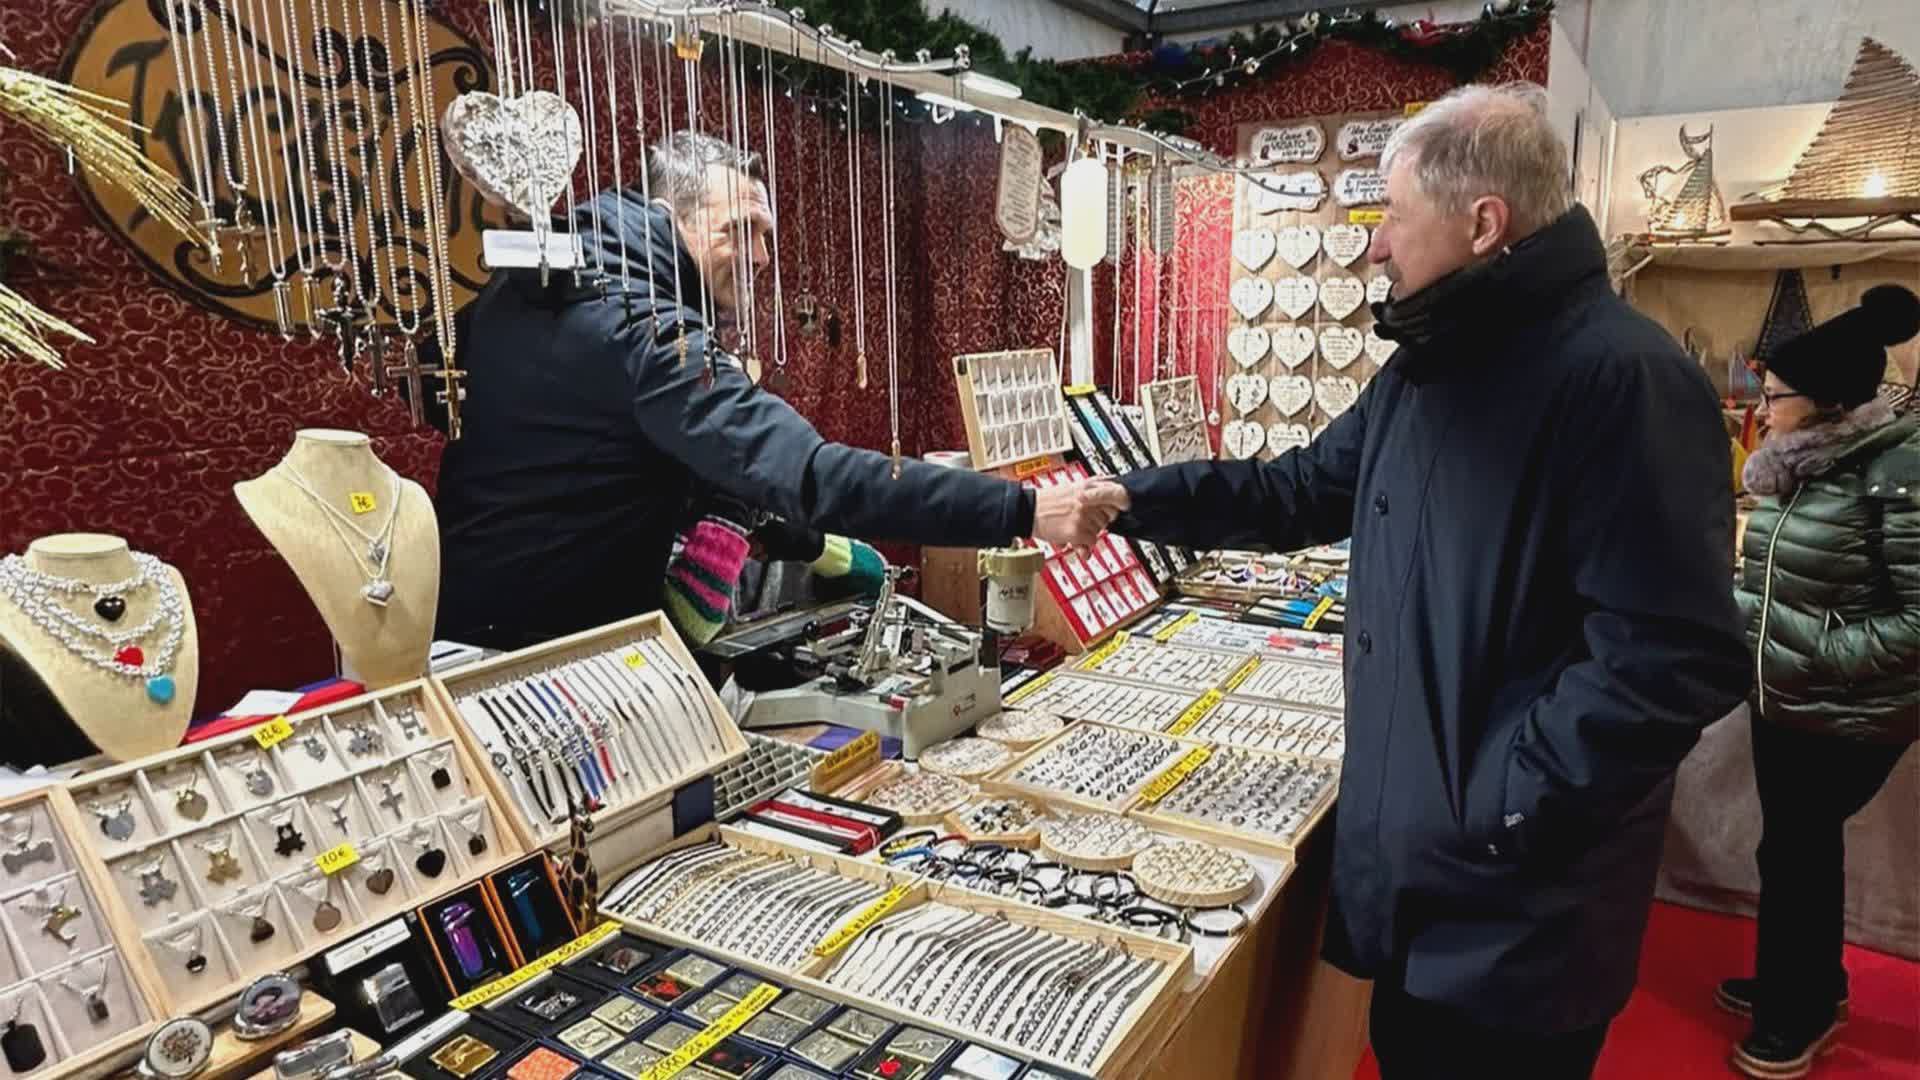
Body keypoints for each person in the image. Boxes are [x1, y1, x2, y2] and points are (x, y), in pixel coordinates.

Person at [1057, 83, 1751, 1077]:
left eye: (1392, 218)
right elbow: (1299, 492)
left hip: (1519, 913)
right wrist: (1129, 498)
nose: (1376, 247)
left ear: (1482, 222)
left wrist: (1508, 807)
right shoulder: (1427, 371)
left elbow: (1672, 657)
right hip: (1427, 883)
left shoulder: (1622, 380)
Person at [434, 131, 1082, 648]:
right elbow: (811, 475)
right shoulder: (644, 328)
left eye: (767, 234)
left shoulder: (548, 288)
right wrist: (1023, 512)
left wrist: (808, 544)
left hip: (481, 632)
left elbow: (594, 448)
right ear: (670, 218)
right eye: (740, 230)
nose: (765, 257)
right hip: (537, 660)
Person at [1723, 284, 1919, 1080]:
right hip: (1787, 697)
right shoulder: (1796, 466)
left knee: (1799, 853)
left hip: (1844, 707)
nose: (1760, 409)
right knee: (1793, 849)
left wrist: (1815, 654)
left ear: (1829, 400)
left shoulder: (1895, 473)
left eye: (1773, 396)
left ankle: (1796, 1015)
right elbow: (1780, 582)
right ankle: (1804, 982)